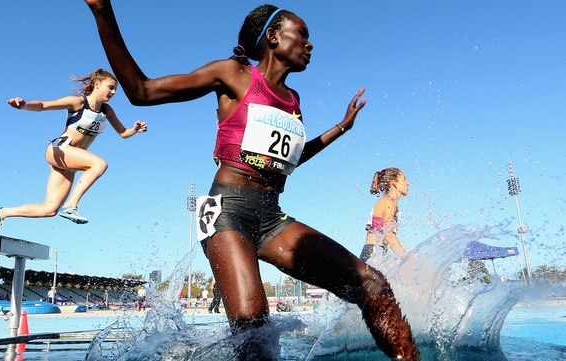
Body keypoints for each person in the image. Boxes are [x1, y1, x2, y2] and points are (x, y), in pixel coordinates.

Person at [85, 2, 419, 359]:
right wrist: (103, 11)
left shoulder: (293, 100)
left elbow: (289, 160)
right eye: (302, 34)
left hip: (272, 217)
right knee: (256, 332)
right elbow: (141, 90)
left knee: (372, 283)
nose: (310, 44)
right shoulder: (233, 74)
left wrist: (340, 127)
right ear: (273, 37)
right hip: (226, 210)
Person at [0, 69, 148, 237]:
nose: (113, 92)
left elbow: (123, 133)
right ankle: (71, 206)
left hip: (70, 160)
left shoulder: (106, 111)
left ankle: (1, 212)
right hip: (59, 149)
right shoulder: (78, 102)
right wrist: (24, 106)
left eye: (115, 89)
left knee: (49, 210)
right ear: (97, 85)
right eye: (111, 87)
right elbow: (43, 105)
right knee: (99, 165)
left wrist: (134, 130)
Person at [360, 168, 410, 262]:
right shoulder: (388, 203)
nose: (407, 183)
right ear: (394, 183)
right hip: (373, 251)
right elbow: (388, 233)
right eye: (404, 179)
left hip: (378, 250)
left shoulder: (390, 202)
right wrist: (406, 258)